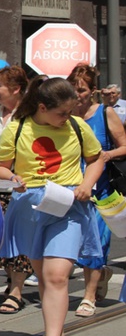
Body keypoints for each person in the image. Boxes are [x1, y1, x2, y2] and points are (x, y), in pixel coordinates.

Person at [0, 77, 103, 336]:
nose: (68, 118)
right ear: (42, 107)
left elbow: (96, 158)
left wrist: (87, 183)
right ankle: (57, 331)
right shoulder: (17, 128)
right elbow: (0, 167)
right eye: (62, 113)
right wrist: (14, 178)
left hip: (69, 207)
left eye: (70, 112)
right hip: (32, 207)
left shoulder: (78, 127)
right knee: (43, 277)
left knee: (57, 276)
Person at [67, 65, 126, 317]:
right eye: (73, 89)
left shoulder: (105, 113)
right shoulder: (64, 116)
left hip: (100, 192)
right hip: (70, 189)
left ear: (92, 91)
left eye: (81, 90)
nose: (77, 94)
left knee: (97, 244)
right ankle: (100, 274)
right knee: (75, 245)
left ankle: (88, 296)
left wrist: (107, 154)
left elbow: (124, 146)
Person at [0, 66, 32, 315]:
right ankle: (11, 280)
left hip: (20, 185)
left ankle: (16, 291)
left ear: (15, 89)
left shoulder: (29, 115)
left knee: (19, 237)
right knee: (0, 237)